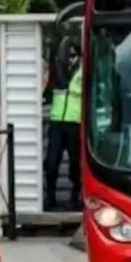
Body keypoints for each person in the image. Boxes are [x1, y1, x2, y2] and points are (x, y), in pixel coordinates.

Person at [45, 42, 82, 210]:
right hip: (57, 122)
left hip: (75, 122)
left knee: (76, 163)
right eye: (68, 56)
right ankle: (50, 197)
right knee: (52, 162)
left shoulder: (82, 71)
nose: (70, 59)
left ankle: (75, 196)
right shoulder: (58, 71)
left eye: (74, 56)